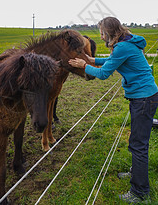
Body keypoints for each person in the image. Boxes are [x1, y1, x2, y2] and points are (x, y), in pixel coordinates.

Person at [68, 17, 158, 204]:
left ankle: (140, 192)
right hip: (144, 96)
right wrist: (93, 59)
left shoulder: (122, 47)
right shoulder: (126, 42)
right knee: (136, 140)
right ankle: (136, 173)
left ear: (108, 32)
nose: (100, 37)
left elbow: (103, 74)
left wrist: (85, 66)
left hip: (143, 99)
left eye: (101, 33)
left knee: (139, 145)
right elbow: (113, 59)